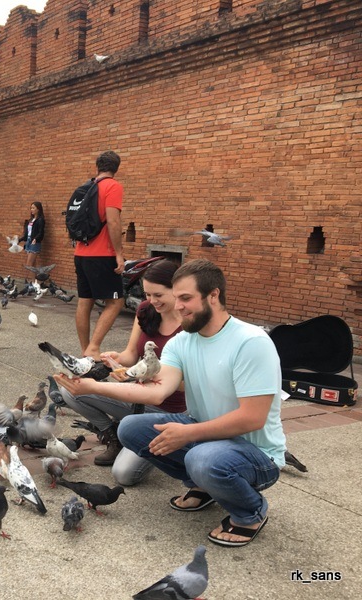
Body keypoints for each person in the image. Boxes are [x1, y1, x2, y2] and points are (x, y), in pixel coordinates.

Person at [55, 259, 284, 547]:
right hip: (208, 437)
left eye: (186, 298)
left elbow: (252, 419)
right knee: (131, 428)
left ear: (213, 295)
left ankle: (251, 512)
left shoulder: (251, 341)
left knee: (201, 458)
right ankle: (203, 485)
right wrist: (92, 386)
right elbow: (155, 393)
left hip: (256, 453)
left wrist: (188, 433)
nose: (178, 307)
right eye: (176, 298)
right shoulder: (182, 342)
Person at [60, 259, 185, 483]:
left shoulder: (189, 324)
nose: (151, 301)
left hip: (170, 410)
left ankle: (161, 442)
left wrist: (143, 375)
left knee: (124, 475)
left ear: (177, 290)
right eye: (147, 294)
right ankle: (113, 435)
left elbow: (187, 383)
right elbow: (130, 355)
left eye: (158, 295)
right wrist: (115, 359)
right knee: (71, 390)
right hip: (138, 398)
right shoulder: (146, 310)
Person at [74, 150, 125, 358]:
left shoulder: (86, 188)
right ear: (116, 168)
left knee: (85, 300)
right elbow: (113, 221)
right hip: (102, 254)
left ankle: (85, 350)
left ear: (97, 167)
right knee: (115, 301)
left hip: (81, 252)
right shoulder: (113, 186)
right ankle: (94, 348)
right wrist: (119, 254)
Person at [18, 201, 45, 268]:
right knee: (32, 265)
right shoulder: (31, 220)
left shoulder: (40, 220)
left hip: (34, 243)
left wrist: (36, 239)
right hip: (28, 242)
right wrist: (19, 240)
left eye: (33, 208)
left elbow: (41, 232)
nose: (31, 210)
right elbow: (27, 234)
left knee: (29, 265)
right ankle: (34, 279)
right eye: (31, 208)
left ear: (38, 209)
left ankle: (35, 278)